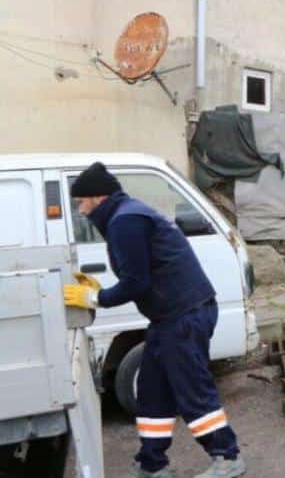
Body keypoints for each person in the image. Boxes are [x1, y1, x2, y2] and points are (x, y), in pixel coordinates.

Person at [61, 162, 243, 478]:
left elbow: (136, 282)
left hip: (183, 315)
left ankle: (227, 457)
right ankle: (152, 464)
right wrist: (100, 291)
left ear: (97, 197)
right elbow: (141, 273)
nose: (80, 209)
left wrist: (96, 298)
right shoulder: (125, 215)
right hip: (169, 316)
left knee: (192, 389)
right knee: (152, 390)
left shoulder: (124, 221)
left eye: (81, 201)